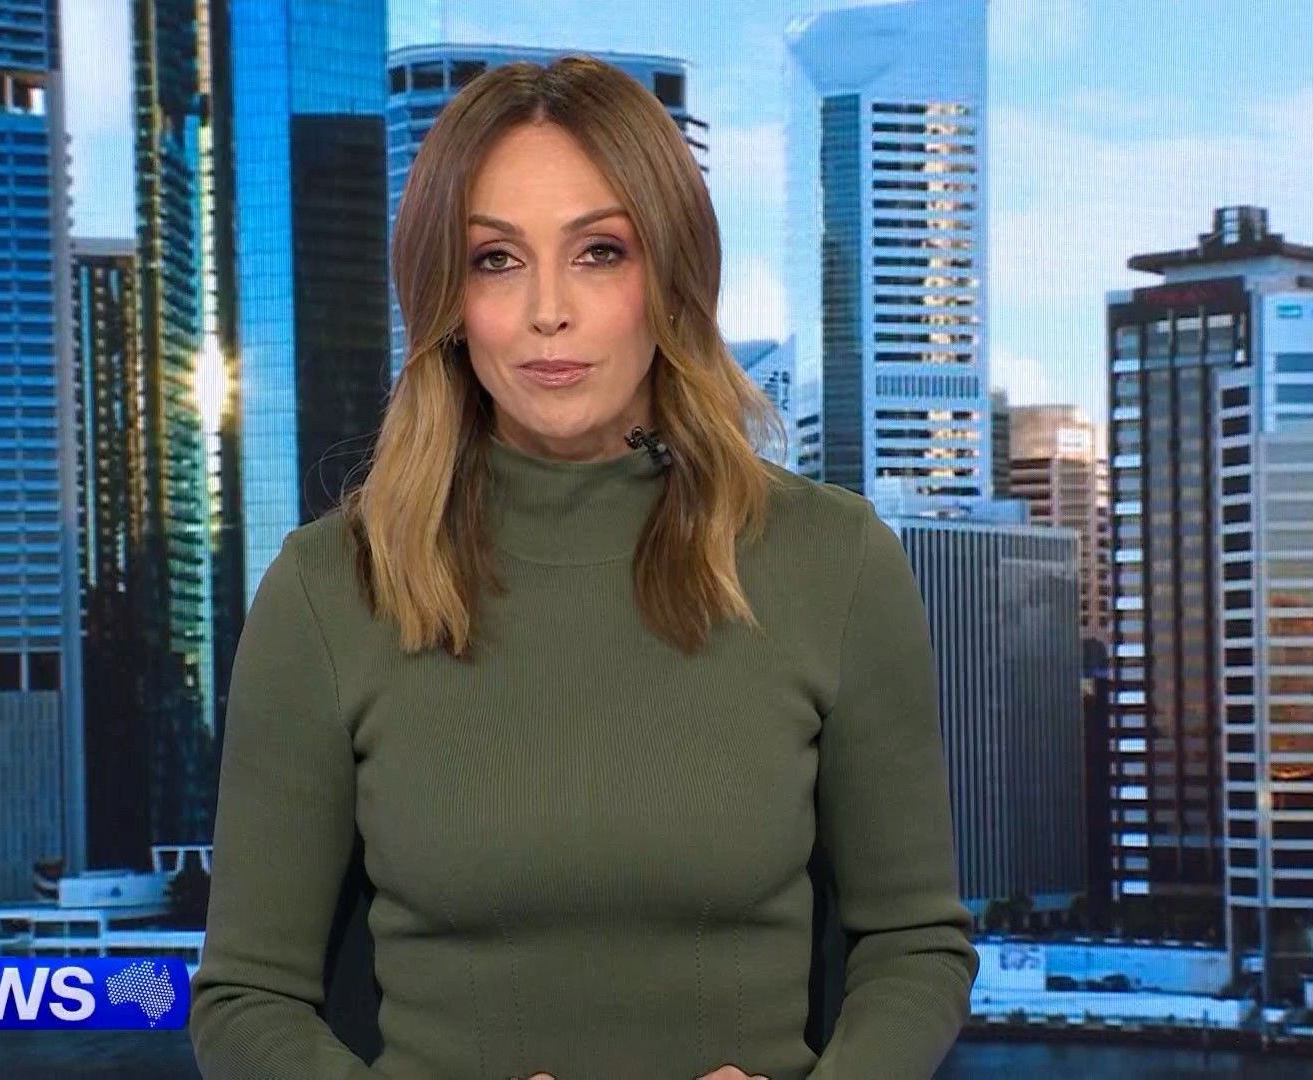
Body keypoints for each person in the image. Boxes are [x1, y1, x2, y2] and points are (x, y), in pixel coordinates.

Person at [188, 53, 978, 1080]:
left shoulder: (834, 561)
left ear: (672, 276)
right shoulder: (329, 587)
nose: (547, 310)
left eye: (600, 252)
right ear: (445, 296)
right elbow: (246, 1000)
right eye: (496, 260)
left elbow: (915, 946)